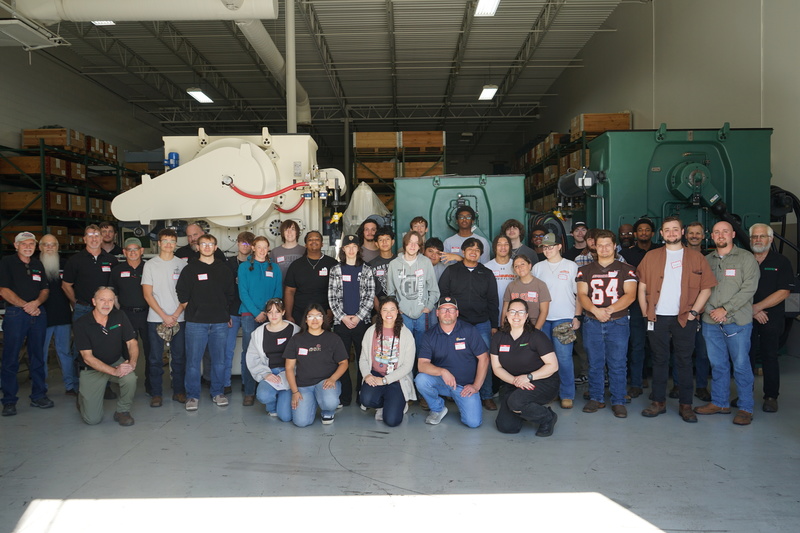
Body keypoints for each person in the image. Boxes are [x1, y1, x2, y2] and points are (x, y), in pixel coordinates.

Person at [636, 217, 716, 423]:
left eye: (675, 230)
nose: (671, 233)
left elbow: (707, 288)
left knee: (684, 360)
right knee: (659, 359)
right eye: (667, 230)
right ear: (661, 234)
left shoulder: (697, 258)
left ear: (682, 232)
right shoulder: (651, 257)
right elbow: (642, 287)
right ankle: (658, 402)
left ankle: (686, 405)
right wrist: (646, 314)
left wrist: (693, 313)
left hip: (684, 318)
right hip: (657, 317)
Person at [695, 221, 760, 425]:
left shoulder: (746, 258)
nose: (721, 235)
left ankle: (745, 407)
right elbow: (698, 289)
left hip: (737, 322)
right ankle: (720, 402)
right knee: (718, 365)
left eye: (725, 232)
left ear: (732, 234)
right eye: (716, 232)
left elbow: (749, 289)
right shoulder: (705, 260)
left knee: (741, 365)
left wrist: (726, 310)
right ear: (711, 236)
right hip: (710, 322)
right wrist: (710, 311)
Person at [577, 229, 638, 419]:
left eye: (607, 245)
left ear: (614, 246)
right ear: (594, 246)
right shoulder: (584, 270)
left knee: (618, 362)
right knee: (594, 362)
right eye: (600, 244)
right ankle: (596, 397)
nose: (603, 248)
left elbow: (630, 295)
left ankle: (618, 400)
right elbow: (582, 295)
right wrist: (596, 311)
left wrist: (608, 311)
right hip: (593, 321)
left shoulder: (626, 269)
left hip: (617, 321)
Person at [176, 234, 235, 411]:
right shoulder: (190, 269)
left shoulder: (224, 269)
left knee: (219, 360)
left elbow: (230, 294)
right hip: (196, 323)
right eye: (204, 244)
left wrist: (224, 314)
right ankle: (192, 396)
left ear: (216, 247)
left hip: (219, 323)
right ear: (198, 247)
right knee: (193, 362)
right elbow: (182, 292)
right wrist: (193, 310)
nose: (207, 247)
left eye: (211, 244)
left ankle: (217, 392)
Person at [438, 237, 497, 410]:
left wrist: (494, 325)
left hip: (481, 323)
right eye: (470, 248)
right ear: (463, 252)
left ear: (480, 254)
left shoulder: (486, 273)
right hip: (457, 323)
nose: (473, 251)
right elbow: (443, 296)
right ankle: (452, 392)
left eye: (477, 250)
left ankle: (486, 395)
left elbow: (493, 300)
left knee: (484, 358)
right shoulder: (451, 271)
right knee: (454, 357)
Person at [415, 296, 489, 427]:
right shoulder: (429, 335)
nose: (447, 313)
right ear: (437, 313)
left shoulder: (469, 330)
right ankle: (438, 409)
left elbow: (484, 358)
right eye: (443, 310)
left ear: (457, 313)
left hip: (464, 387)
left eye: (451, 310)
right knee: (421, 379)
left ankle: (462, 401)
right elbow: (422, 365)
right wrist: (442, 371)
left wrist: (476, 386)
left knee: (473, 423)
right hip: (443, 383)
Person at [62, 224, 118, 395]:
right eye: (90, 236)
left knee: (105, 347)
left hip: (106, 312)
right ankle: (79, 387)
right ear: (85, 239)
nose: (94, 239)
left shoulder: (111, 260)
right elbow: (66, 285)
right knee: (80, 349)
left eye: (97, 235)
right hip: (83, 310)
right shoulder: (75, 260)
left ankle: (105, 386)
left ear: (102, 239)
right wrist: (76, 303)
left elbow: (115, 287)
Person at [0, 232, 52, 417]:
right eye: (24, 244)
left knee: (37, 356)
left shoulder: (38, 264)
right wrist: (26, 305)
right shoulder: (7, 263)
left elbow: (45, 289)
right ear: (16, 245)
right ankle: (9, 400)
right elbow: (3, 290)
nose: (28, 247)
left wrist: (36, 304)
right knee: (11, 358)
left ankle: (38, 395)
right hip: (16, 314)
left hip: (38, 313)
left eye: (31, 244)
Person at [491, 299, 559, 435]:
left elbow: (553, 365)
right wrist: (516, 381)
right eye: (513, 311)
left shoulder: (536, 336)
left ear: (527, 315)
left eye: (521, 312)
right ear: (507, 314)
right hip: (514, 382)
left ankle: (547, 417)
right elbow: (497, 368)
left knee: (516, 402)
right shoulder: (498, 337)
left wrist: (528, 377)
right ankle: (524, 409)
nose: (516, 316)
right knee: (506, 427)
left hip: (541, 381)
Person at [73, 287, 138, 426]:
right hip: (91, 370)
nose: (107, 304)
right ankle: (82, 399)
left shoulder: (119, 316)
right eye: (102, 300)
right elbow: (87, 358)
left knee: (130, 378)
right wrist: (114, 371)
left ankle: (122, 411)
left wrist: (132, 363)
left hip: (115, 362)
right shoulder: (81, 324)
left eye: (110, 300)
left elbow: (132, 342)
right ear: (94, 302)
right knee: (93, 420)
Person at [748, 223, 793, 413]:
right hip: (746, 316)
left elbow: (784, 291)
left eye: (762, 236)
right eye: (755, 237)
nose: (758, 240)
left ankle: (771, 396)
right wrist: (751, 310)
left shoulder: (781, 261)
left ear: (770, 239)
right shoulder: (744, 259)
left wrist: (758, 307)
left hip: (770, 317)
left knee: (769, 356)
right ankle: (745, 393)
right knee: (745, 356)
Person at [532, 233, 581, 409]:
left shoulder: (571, 266)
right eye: (544, 247)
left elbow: (579, 294)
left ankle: (567, 394)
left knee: (564, 358)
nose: (547, 250)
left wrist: (576, 316)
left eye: (550, 246)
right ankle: (549, 392)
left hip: (564, 317)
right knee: (544, 359)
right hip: (543, 319)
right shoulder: (538, 267)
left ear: (559, 246)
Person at [142, 228, 188, 406]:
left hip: (179, 318)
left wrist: (175, 315)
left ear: (176, 244)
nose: (169, 244)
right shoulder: (150, 265)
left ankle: (179, 391)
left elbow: (186, 294)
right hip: (155, 318)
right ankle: (156, 394)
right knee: (155, 358)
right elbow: (147, 294)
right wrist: (164, 316)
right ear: (159, 243)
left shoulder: (183, 265)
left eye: (172, 241)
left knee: (179, 357)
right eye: (165, 241)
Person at [328, 234, 375, 406]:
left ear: (358, 249)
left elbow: (370, 296)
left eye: (354, 246)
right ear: (343, 250)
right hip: (341, 323)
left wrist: (358, 317)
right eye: (348, 247)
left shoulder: (366, 269)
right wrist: (343, 317)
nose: (351, 249)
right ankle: (345, 395)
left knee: (364, 359)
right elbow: (332, 297)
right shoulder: (336, 270)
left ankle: (362, 393)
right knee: (342, 360)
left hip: (362, 322)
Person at [284, 303, 349, 427]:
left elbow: (344, 363)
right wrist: (295, 391)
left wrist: (333, 378)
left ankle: (328, 410)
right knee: (301, 422)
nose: (314, 320)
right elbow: (289, 367)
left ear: (323, 319)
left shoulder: (333, 338)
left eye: (318, 316)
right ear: (305, 319)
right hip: (303, 386)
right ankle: (312, 401)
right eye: (311, 316)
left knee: (329, 402)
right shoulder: (296, 339)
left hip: (325, 382)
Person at [238, 235, 283, 406]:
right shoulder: (244, 267)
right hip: (249, 315)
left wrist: (268, 312)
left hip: (271, 316)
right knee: (250, 353)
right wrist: (257, 312)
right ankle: (249, 390)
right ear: (253, 248)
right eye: (259, 247)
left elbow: (278, 292)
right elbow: (243, 292)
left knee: (271, 352)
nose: (262, 250)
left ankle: (270, 386)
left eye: (265, 247)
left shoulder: (275, 268)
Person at [359, 296, 417, 426]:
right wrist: (367, 375)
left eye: (392, 309)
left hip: (397, 379)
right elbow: (363, 358)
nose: (389, 313)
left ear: (398, 311)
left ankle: (397, 404)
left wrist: (386, 380)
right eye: (385, 310)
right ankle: (382, 405)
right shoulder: (371, 331)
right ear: (380, 312)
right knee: (366, 400)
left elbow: (407, 366)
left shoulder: (406, 334)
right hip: (376, 374)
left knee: (392, 421)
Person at [620, 219, 661, 399]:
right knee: (637, 345)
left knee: (660, 346)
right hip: (636, 305)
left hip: (661, 304)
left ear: (653, 233)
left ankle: (659, 387)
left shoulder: (662, 251)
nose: (644, 233)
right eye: (640, 230)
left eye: (647, 230)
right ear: (636, 234)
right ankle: (636, 383)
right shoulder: (626, 254)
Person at [110, 237, 151, 398]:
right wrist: (119, 313)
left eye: (136, 249)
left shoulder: (149, 268)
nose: (133, 252)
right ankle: (126, 385)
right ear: (124, 252)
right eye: (129, 249)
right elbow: (113, 294)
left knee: (151, 351)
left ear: (142, 251)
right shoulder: (117, 270)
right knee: (126, 352)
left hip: (148, 314)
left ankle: (151, 386)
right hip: (126, 315)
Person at [246, 298, 299, 422]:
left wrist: (288, 375)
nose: (274, 315)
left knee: (285, 417)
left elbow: (302, 358)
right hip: (269, 372)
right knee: (264, 395)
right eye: (270, 312)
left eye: (277, 311)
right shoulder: (258, 333)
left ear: (283, 312)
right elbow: (252, 357)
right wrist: (265, 374)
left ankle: (283, 396)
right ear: (266, 314)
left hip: (289, 373)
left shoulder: (295, 330)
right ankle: (272, 406)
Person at [386, 231, 439, 350]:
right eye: (410, 242)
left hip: (422, 313)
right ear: (404, 244)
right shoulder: (394, 264)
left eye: (416, 243)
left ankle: (420, 369)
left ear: (420, 246)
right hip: (403, 313)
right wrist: (397, 308)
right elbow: (390, 292)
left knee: (422, 347)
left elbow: (434, 290)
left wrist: (428, 307)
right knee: (404, 348)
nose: (413, 246)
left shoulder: (425, 262)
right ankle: (408, 369)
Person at [39, 234, 77, 396]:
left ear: (57, 247)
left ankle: (70, 385)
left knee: (65, 352)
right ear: (40, 247)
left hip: (62, 316)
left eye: (53, 244)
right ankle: (41, 388)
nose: (49, 247)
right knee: (41, 352)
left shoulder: (65, 264)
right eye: (46, 244)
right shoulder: (34, 265)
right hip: (41, 317)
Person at [283, 230, 337, 326]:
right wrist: (288, 315)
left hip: (324, 314)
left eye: (317, 239)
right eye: (310, 240)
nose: (314, 241)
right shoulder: (296, 265)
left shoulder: (332, 263)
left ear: (322, 244)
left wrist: (332, 311)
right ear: (305, 245)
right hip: (300, 314)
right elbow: (289, 291)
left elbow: (338, 290)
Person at [224, 231, 254, 403]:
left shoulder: (254, 264)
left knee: (248, 350)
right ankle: (225, 382)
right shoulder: (228, 264)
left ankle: (246, 381)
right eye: (242, 243)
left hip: (249, 311)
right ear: (237, 244)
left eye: (248, 244)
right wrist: (225, 312)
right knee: (227, 349)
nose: (245, 246)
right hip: (232, 312)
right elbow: (222, 289)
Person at [502, 253, 551, 330]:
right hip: (514, 327)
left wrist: (536, 330)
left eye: (522, 264)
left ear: (530, 265)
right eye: (516, 266)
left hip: (533, 326)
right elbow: (505, 309)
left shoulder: (540, 285)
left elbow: (544, 311)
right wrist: (503, 327)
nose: (520, 268)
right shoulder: (511, 286)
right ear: (514, 270)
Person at [486, 235, 515, 326]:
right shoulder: (486, 267)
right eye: (499, 244)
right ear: (494, 247)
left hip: (513, 315)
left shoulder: (517, 265)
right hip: (491, 315)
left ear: (510, 247)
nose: (503, 247)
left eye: (506, 244)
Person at [369, 226, 396, 305]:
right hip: (379, 305)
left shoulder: (400, 262)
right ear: (376, 244)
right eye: (381, 240)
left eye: (387, 239)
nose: (384, 242)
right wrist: (379, 310)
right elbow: (371, 292)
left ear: (392, 242)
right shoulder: (371, 265)